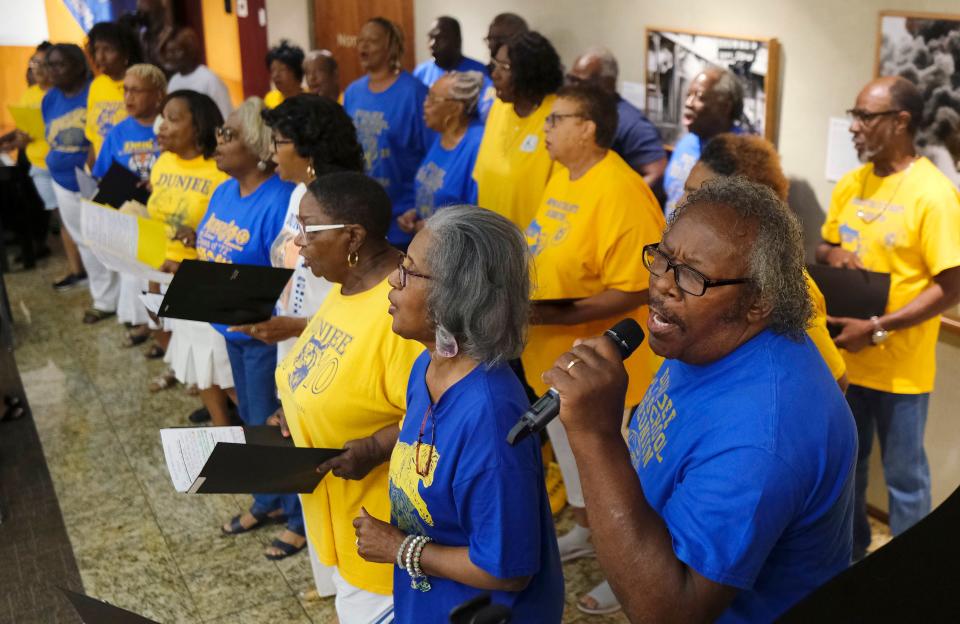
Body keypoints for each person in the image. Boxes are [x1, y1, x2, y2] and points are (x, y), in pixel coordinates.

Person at [543, 176, 857, 622]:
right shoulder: (706, 335)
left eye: (692, 275)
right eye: (663, 259)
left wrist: (596, 437)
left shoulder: (762, 440)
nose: (663, 286)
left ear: (758, 302)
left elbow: (669, 613)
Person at [353, 205, 564, 622]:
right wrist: (372, 448)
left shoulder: (490, 417)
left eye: (410, 272)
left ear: (457, 295)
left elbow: (507, 571)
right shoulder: (426, 368)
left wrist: (399, 548)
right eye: (402, 264)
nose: (393, 282)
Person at [521, 84, 664, 616]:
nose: (546, 128)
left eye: (557, 119)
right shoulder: (562, 173)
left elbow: (636, 285)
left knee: (617, 479)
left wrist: (555, 313)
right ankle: (585, 531)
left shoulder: (623, 191)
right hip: (555, 360)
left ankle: (625, 572)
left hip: (609, 372)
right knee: (573, 461)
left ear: (588, 128)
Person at [816, 76, 960, 561]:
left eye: (864, 117)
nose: (853, 127)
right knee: (847, 472)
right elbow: (827, 242)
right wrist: (833, 256)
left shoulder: (933, 194)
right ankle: (853, 561)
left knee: (904, 479)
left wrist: (877, 328)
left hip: (900, 369)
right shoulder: (853, 183)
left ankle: (914, 582)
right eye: (853, 115)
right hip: (845, 362)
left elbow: (952, 285)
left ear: (901, 122)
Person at [275, 172, 423, 622]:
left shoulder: (403, 309)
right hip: (341, 517)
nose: (298, 244)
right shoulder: (347, 288)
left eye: (308, 229)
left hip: (386, 530)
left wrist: (378, 446)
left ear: (352, 236)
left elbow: (439, 415)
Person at [182, 97, 304, 559]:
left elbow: (288, 274)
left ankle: (295, 517)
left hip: (263, 333)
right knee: (252, 421)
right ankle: (269, 500)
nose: (218, 141)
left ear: (256, 148)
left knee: (273, 425)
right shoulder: (223, 191)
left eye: (228, 135)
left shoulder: (277, 201)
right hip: (229, 327)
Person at [683, 133, 849, 391]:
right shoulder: (689, 260)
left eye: (698, 197)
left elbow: (834, 383)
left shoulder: (786, 286)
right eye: (686, 191)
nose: (681, 205)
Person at [149, 90, 229, 393]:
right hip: (161, 266)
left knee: (215, 358)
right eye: (162, 119)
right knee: (189, 350)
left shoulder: (219, 172)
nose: (162, 127)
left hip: (200, 276)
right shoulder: (163, 164)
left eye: (173, 119)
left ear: (198, 127)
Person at [342, 17, 432, 249]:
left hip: (404, 220)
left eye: (371, 41)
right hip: (361, 218)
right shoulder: (353, 92)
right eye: (360, 40)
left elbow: (433, 154)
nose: (363, 46)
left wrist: (420, 210)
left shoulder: (415, 93)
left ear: (391, 46)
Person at [92, 63, 165, 344]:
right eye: (126, 90)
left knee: (160, 278)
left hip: (164, 216)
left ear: (158, 95)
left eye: (137, 91)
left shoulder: (168, 125)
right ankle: (149, 326)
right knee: (137, 278)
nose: (128, 97)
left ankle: (164, 332)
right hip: (131, 217)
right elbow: (101, 174)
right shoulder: (119, 133)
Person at [473, 31, 563, 229]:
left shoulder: (558, 116)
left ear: (531, 71)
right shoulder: (499, 106)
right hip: (491, 241)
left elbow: (561, 199)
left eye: (504, 67)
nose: (494, 74)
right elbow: (482, 174)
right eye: (494, 65)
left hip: (532, 248)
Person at [41, 44, 104, 316]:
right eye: (49, 65)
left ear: (79, 65)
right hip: (61, 179)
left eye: (59, 65)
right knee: (83, 239)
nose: (52, 71)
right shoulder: (50, 98)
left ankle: (118, 301)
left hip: (92, 179)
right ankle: (103, 300)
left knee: (103, 239)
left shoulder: (94, 92)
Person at [566, 46, 667, 190]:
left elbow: (657, 172)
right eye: (571, 79)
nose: (573, 88)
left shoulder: (632, 123)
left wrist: (618, 200)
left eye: (580, 82)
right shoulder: (583, 113)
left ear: (607, 83)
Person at [397, 71, 484, 233]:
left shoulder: (477, 145)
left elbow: (478, 218)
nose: (425, 104)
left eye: (432, 98)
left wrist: (435, 228)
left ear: (456, 108)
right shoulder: (442, 134)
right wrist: (417, 213)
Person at [662, 67, 743, 216]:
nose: (688, 103)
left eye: (699, 97)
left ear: (725, 106)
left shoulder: (743, 155)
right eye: (688, 95)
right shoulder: (686, 142)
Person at [85, 21, 143, 158]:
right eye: (96, 49)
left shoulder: (142, 83)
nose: (100, 57)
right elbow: (93, 136)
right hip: (104, 170)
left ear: (126, 53)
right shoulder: (96, 85)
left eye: (108, 50)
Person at [163, 27, 233, 119]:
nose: (170, 57)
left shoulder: (209, 80)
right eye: (168, 52)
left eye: (176, 51)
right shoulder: (174, 81)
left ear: (190, 51)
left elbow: (226, 116)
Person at [477, 13, 529, 120]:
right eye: (489, 39)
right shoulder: (481, 74)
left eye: (498, 40)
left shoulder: (531, 81)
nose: (491, 45)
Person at [413, 16, 487, 86]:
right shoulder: (421, 72)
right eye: (430, 38)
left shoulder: (479, 71)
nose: (432, 44)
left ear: (457, 41)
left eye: (440, 38)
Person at [264, 40, 305, 108]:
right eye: (273, 70)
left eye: (282, 69)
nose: (275, 75)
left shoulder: (310, 100)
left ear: (297, 70)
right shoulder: (270, 100)